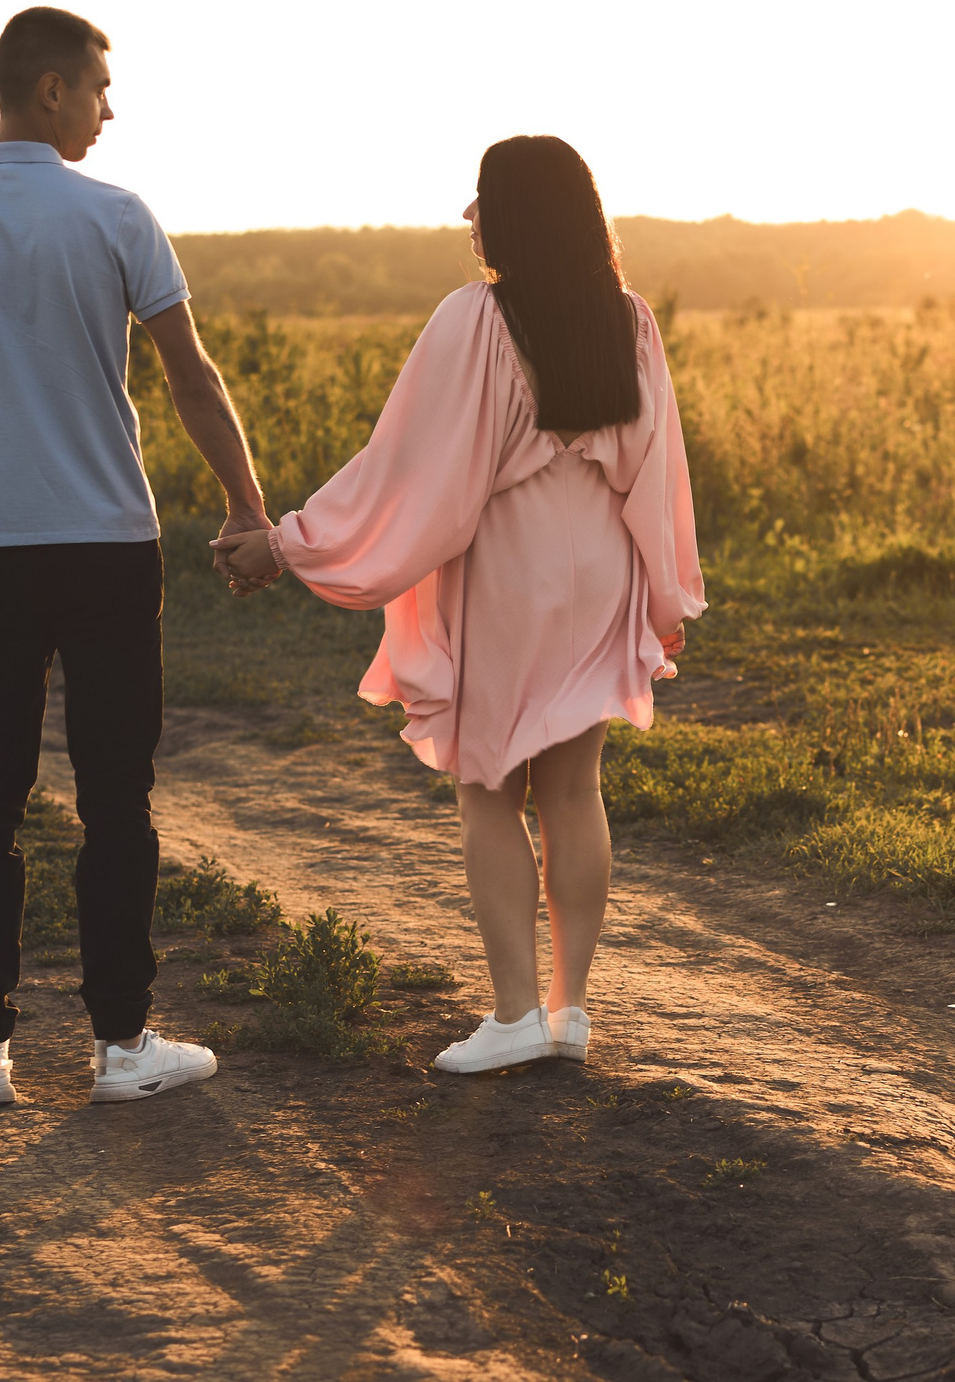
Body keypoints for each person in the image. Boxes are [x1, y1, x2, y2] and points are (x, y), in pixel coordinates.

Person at [212, 135, 703, 1074]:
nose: (466, 216)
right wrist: (663, 586)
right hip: (599, 564)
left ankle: (514, 1015)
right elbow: (658, 467)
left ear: (517, 211)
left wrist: (286, 542)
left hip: (513, 571)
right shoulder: (628, 319)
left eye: (479, 198)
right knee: (572, 789)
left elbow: (410, 470)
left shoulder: (477, 318)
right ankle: (568, 1011)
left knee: (489, 789)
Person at [0, 6, 266, 1107]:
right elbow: (191, 375)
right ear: (48, 91)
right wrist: (247, 505)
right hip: (105, 548)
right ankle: (123, 1045)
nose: (107, 105)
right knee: (116, 796)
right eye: (98, 85)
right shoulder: (117, 215)